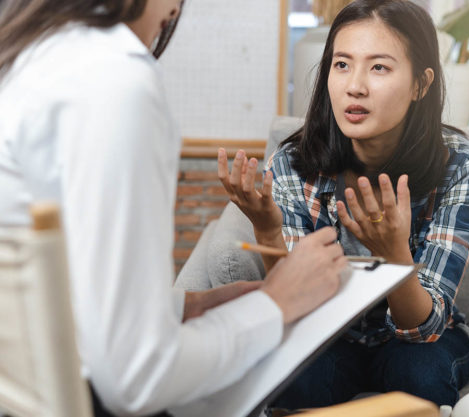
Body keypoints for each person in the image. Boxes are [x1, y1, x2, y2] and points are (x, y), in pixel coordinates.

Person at [0, 1, 348, 416]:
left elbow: (66, 293)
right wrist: (275, 302)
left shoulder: (35, 54)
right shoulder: (113, 80)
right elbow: (136, 377)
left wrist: (185, 307)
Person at [218, 0, 469, 408]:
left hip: (418, 334)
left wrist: (394, 253)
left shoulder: (461, 165)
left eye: (379, 67)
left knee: (419, 370)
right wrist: (268, 229)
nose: (354, 86)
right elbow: (297, 311)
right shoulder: (291, 164)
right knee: (293, 376)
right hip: (331, 332)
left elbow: (424, 329)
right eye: (342, 64)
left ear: (421, 84)